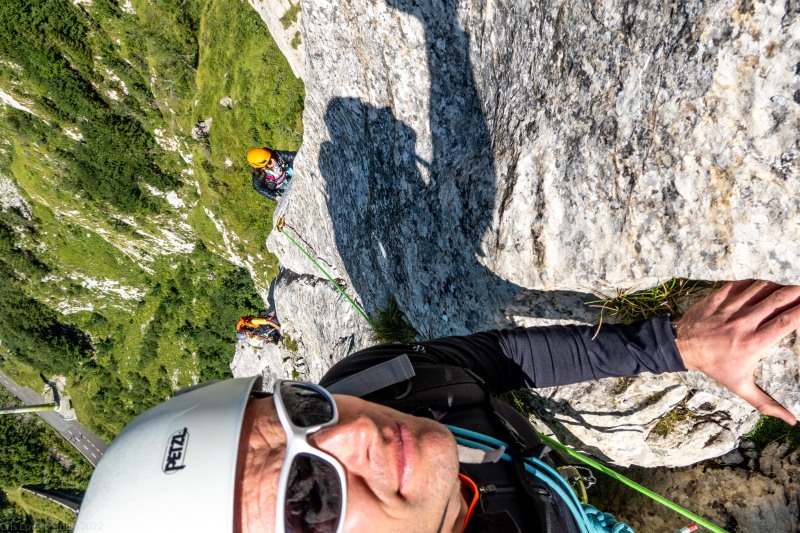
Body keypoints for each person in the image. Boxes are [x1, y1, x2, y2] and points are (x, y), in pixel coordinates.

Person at [74, 280, 800, 532]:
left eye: (301, 409)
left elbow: (493, 361)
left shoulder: (380, 379)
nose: (354, 431)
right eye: (309, 500)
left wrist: (678, 343)